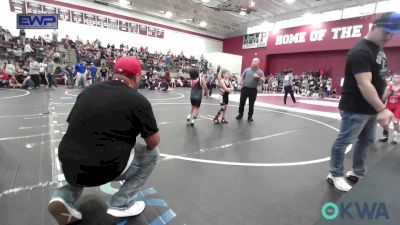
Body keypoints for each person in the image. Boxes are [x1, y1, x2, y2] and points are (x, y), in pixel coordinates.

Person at [48, 57, 160, 224]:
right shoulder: (138, 100)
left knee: (84, 152)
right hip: (105, 167)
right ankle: (122, 203)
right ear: (136, 77)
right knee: (152, 155)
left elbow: (73, 125)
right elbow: (153, 142)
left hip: (69, 162)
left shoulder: (88, 91)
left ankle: (62, 196)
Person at [327, 12, 399, 192]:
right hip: (355, 108)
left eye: (392, 33)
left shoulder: (378, 48)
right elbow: (364, 83)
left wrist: (386, 92)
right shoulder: (361, 51)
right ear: (374, 27)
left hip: (371, 108)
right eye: (386, 32)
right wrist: (382, 108)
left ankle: (357, 171)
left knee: (366, 140)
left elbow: (380, 76)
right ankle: (334, 174)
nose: (389, 37)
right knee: (345, 141)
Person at [379, 73, 400, 144]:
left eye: (397, 77)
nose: (395, 79)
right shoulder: (389, 86)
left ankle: (396, 137)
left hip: (398, 107)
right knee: (385, 123)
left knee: (395, 122)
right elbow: (383, 98)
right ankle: (385, 136)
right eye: (394, 77)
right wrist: (389, 91)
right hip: (389, 106)